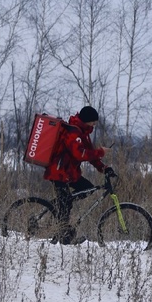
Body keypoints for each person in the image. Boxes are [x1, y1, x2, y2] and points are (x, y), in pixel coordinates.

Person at [43, 105, 115, 244]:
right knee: (65, 204)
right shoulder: (74, 132)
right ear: (87, 120)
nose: (94, 124)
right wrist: (101, 151)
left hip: (69, 173)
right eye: (93, 121)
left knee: (87, 189)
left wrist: (104, 168)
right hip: (59, 172)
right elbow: (80, 154)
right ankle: (62, 238)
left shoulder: (83, 133)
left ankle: (58, 205)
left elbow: (91, 155)